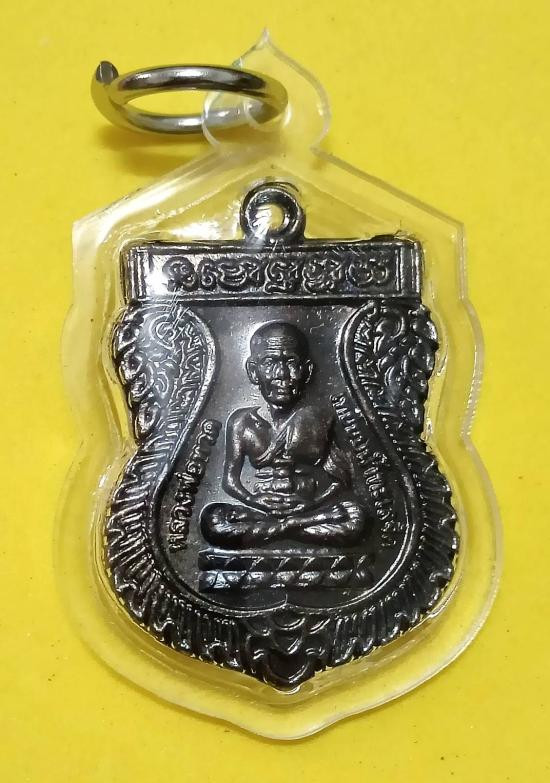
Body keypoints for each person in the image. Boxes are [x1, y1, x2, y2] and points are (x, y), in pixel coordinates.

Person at [200, 321, 368, 548]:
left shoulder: (319, 419)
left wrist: (311, 505)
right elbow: (230, 481)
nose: (281, 374)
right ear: (253, 371)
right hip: (261, 510)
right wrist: (253, 501)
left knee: (356, 517)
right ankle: (294, 527)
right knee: (213, 520)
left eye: (291, 362)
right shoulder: (242, 422)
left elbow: (340, 480)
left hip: (308, 507)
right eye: (269, 363)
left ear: (307, 371)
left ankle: (278, 530)